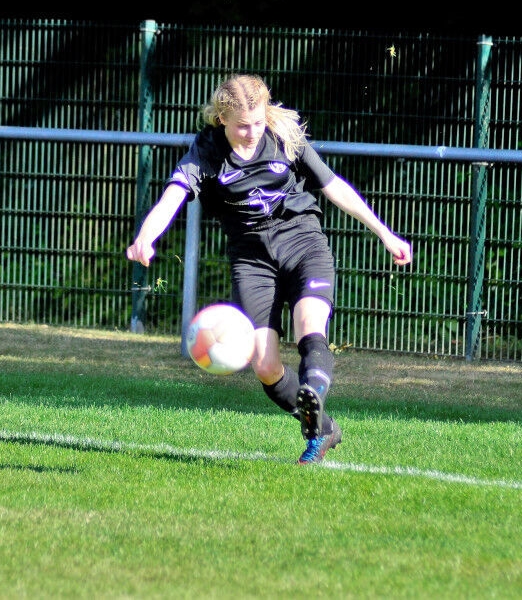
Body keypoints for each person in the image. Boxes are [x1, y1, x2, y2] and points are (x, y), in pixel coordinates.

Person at [126, 74, 412, 464]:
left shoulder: (284, 137)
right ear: (222, 119)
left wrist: (385, 233)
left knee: (309, 325)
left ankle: (313, 394)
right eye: (242, 126)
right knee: (264, 365)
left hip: (303, 244)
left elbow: (334, 186)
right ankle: (324, 428)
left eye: (257, 123)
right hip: (252, 260)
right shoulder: (207, 150)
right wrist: (146, 238)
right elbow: (172, 197)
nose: (251, 133)